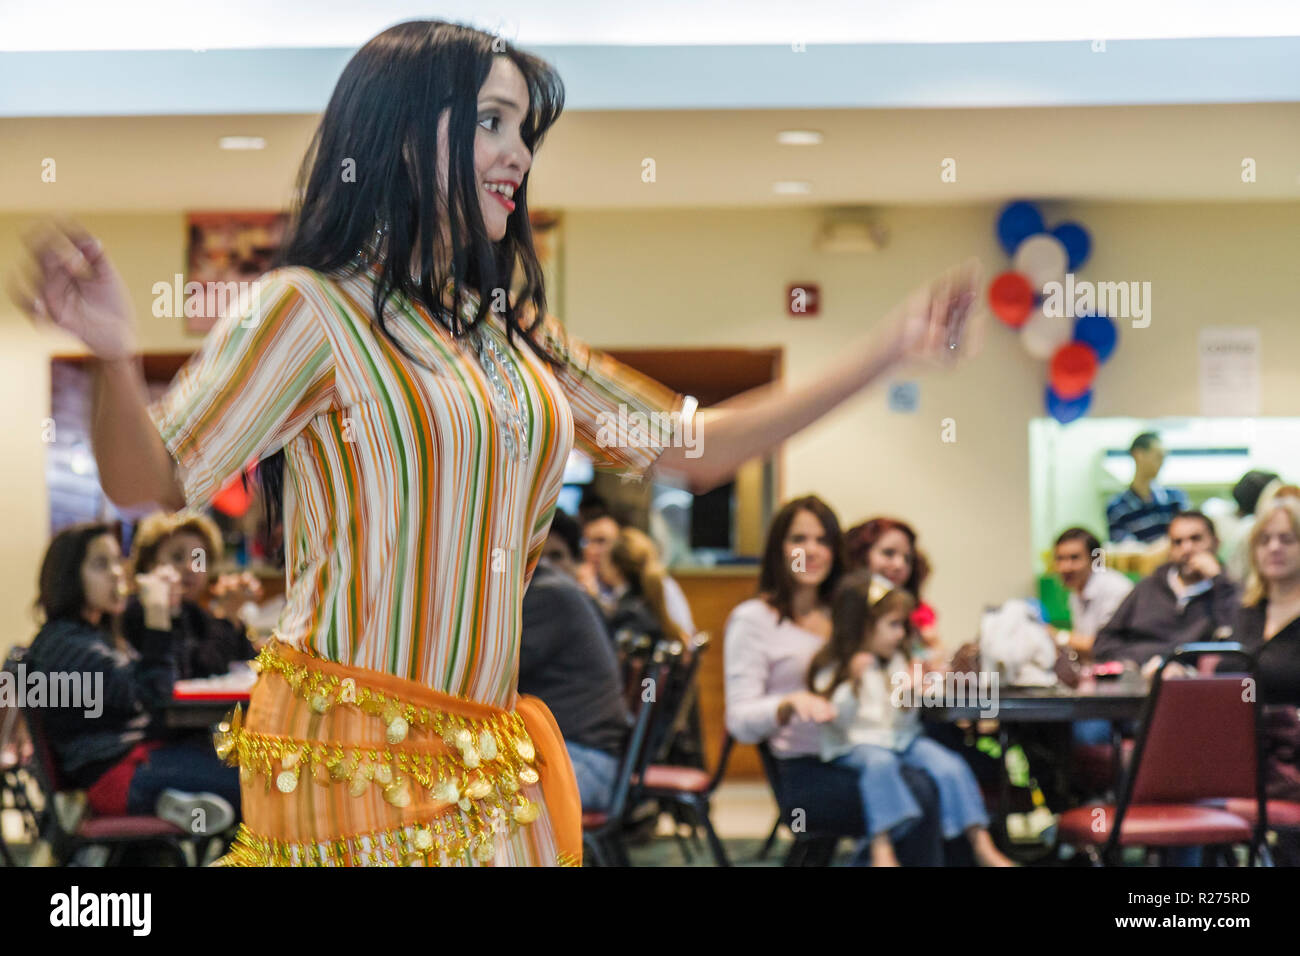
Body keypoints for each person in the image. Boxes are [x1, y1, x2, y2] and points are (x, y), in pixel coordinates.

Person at [14, 20, 981, 866]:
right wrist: (111, 356)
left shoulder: (511, 333)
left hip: (489, 745)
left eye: (523, 128)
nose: (517, 152)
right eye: (489, 122)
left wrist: (885, 351)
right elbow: (155, 479)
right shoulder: (309, 309)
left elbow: (694, 447)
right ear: (396, 138)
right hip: (349, 744)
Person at [725, 496, 949, 865]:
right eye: (798, 539)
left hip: (867, 749)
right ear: (778, 548)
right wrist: (788, 703)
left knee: (943, 769)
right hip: (807, 768)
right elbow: (739, 721)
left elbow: (888, 669)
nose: (811, 551)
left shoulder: (846, 615)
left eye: (823, 541)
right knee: (920, 791)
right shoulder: (754, 620)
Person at [24, 523, 240, 833]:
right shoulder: (66, 645)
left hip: (134, 762)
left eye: (117, 561)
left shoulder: (93, 636)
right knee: (257, 784)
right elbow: (153, 695)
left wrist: (167, 615)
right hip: (117, 777)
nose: (116, 573)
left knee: (249, 766)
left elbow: (164, 679)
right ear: (70, 576)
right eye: (101, 564)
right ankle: (164, 800)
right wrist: (158, 617)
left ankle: (171, 802)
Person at [809, 569, 1013, 867]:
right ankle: (881, 845)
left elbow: (903, 715)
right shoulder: (833, 665)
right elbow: (837, 720)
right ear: (862, 625)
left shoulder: (896, 661)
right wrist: (852, 681)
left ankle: (980, 841)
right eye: (892, 624)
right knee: (880, 764)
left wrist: (912, 693)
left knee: (950, 765)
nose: (900, 634)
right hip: (855, 744)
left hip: (899, 740)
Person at [518, 554, 629, 813]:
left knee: (463, 788)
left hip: (586, 763)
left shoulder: (546, 596)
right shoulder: (550, 587)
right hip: (586, 753)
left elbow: (489, 676)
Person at [1092, 511, 1238, 671]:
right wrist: (1138, 661)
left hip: (1198, 684)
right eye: (1177, 542)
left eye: (1196, 539)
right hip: (1141, 679)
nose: (1187, 548)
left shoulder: (1229, 590)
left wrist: (1219, 580)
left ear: (1216, 543)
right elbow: (1103, 642)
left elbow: (1235, 642)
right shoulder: (1148, 587)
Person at [123, 511, 260, 679]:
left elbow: (245, 664)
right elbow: (196, 670)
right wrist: (227, 615)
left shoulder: (193, 612)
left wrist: (234, 617)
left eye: (198, 560)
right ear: (149, 563)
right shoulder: (139, 611)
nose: (190, 567)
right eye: (177, 557)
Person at [582, 509, 697, 638]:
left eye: (601, 541)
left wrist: (592, 599)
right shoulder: (591, 583)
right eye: (586, 542)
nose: (592, 550)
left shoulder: (656, 588)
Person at [845, 517, 941, 657]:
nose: (899, 565)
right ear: (861, 555)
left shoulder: (918, 617)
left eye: (907, 559)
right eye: (888, 553)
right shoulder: (838, 608)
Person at [1050, 527, 1134, 659]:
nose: (1065, 567)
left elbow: (1104, 646)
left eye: (1074, 558)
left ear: (1095, 559)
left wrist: (1057, 636)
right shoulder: (1076, 592)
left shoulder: (1115, 589)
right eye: (1060, 559)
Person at [1106, 432, 1190, 544]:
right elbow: (1127, 552)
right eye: (1158, 456)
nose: (1162, 462)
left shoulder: (1175, 498)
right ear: (1138, 454)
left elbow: (1187, 535)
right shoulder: (1117, 508)